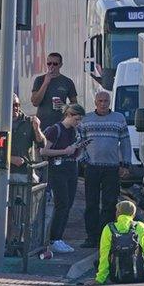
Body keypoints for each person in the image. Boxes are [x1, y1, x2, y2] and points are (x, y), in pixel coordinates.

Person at [80, 91, 133, 248]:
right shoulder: (86, 119)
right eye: (100, 101)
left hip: (111, 168)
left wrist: (125, 164)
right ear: (95, 102)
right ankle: (91, 237)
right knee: (91, 204)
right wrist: (83, 161)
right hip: (92, 167)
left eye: (106, 101)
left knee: (109, 204)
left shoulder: (119, 119)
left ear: (110, 102)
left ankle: (106, 236)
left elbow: (125, 143)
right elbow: (80, 141)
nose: (103, 104)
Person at [41, 104, 88, 254]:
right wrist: (64, 151)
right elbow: (43, 150)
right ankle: (54, 238)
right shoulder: (55, 130)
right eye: (76, 119)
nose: (78, 122)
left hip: (71, 167)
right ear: (69, 115)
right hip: (57, 168)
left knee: (68, 204)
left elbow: (74, 151)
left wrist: (79, 147)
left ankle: (59, 237)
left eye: (80, 120)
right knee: (62, 203)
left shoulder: (76, 130)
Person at [96, 200, 144, 285]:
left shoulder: (108, 228)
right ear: (133, 214)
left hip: (116, 278)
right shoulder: (141, 227)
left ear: (117, 213)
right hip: (139, 276)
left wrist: (100, 279)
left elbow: (104, 256)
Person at [31, 52, 78, 130]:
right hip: (43, 126)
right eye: (49, 63)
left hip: (61, 125)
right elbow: (35, 102)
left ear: (60, 65)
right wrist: (45, 83)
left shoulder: (67, 82)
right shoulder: (39, 80)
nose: (51, 66)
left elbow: (75, 105)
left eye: (55, 64)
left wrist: (64, 106)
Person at [8, 94, 45, 184]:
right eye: (11, 105)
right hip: (4, 173)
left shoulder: (29, 122)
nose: (15, 108)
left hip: (24, 172)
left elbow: (42, 144)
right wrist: (10, 158)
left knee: (25, 197)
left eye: (17, 105)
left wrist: (37, 129)